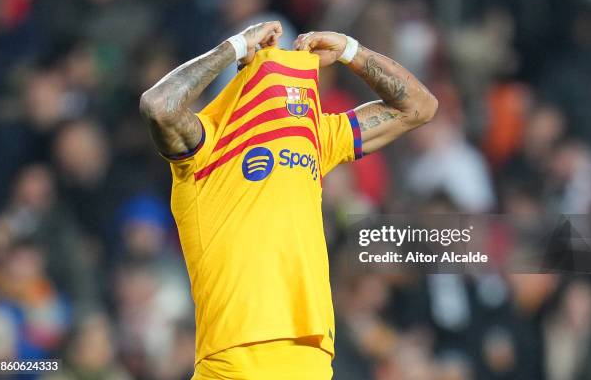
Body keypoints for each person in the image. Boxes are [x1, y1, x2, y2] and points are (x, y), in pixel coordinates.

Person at [139, 21, 438, 379]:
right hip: (235, 363)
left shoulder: (315, 137)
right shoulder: (205, 143)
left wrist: (349, 51)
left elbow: (419, 107)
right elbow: (159, 106)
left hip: (312, 361)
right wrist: (233, 46)